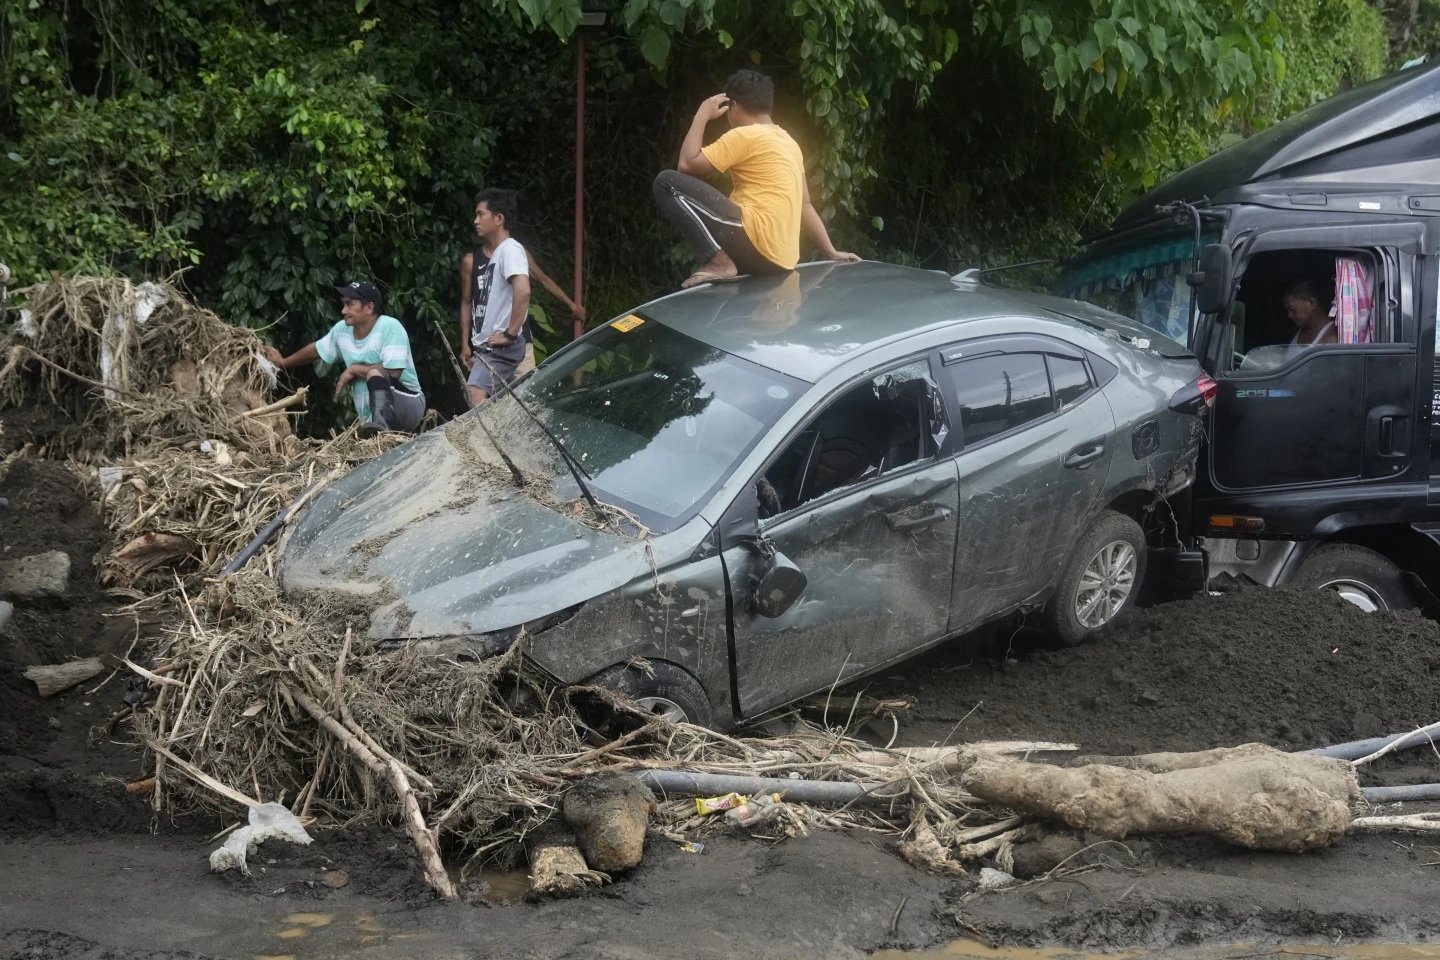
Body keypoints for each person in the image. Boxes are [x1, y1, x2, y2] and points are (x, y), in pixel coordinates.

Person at [653, 68, 859, 288]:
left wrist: (702, 114)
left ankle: (720, 263)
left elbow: (686, 164)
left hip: (755, 241)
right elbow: (805, 205)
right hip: (781, 261)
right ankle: (723, 263)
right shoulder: (790, 143)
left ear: (734, 106)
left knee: (667, 182)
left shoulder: (745, 135)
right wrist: (831, 251)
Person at [263, 281, 426, 434]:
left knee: (374, 373)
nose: (343, 311)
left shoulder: (389, 327)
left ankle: (382, 430)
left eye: (350, 304)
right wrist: (283, 362)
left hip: (409, 404)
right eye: (344, 304)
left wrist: (355, 369)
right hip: (371, 419)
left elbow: (393, 372)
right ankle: (379, 429)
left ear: (369, 307)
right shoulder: (342, 331)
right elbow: (316, 350)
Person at [459, 234, 585, 381]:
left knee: (525, 391)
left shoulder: (516, 253)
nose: (477, 222)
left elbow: (542, 279)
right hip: (487, 344)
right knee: (491, 397)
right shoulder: (471, 261)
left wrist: (572, 305)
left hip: (518, 338)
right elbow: (467, 302)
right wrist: (464, 344)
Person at [460, 189, 532, 407]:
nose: (476, 221)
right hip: (490, 346)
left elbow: (523, 290)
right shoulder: (501, 252)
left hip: (501, 346)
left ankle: (483, 441)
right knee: (514, 407)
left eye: (481, 214)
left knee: (475, 393)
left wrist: (510, 334)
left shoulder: (510, 249)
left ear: (499, 218)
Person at [1284, 279, 1337, 349]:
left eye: (1292, 309)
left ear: (1312, 303)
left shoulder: (1331, 338)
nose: (1289, 315)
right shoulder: (1300, 329)